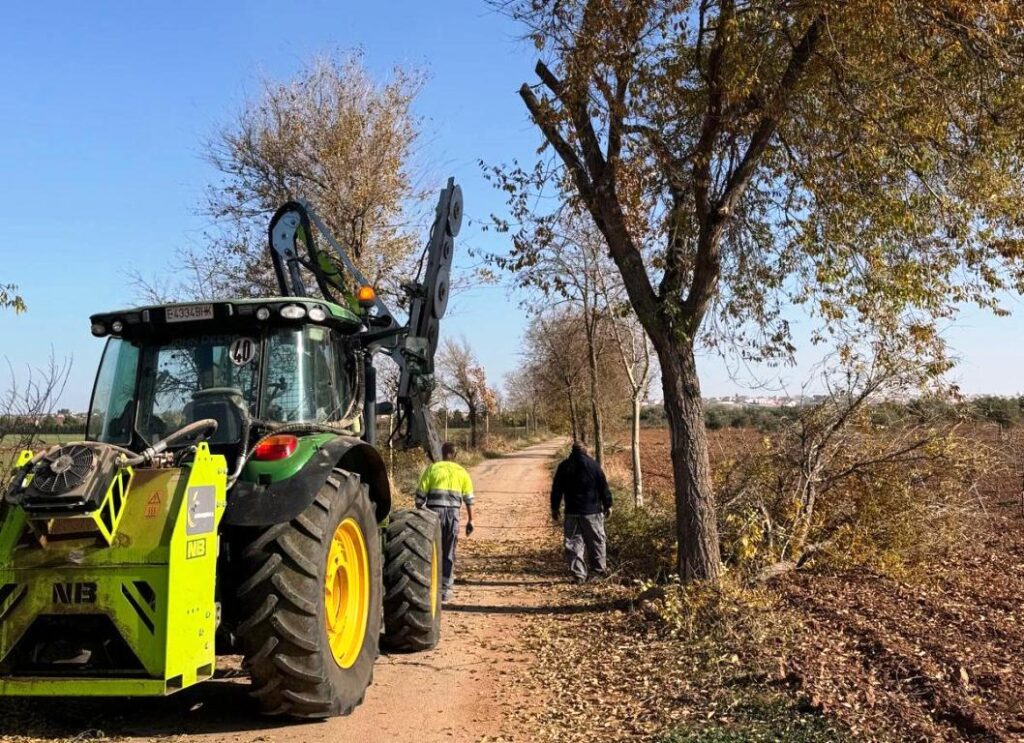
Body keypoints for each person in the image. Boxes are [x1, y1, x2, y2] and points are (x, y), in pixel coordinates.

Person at [415, 442, 475, 602]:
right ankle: (445, 591)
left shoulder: (433, 469)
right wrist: (471, 520)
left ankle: (429, 586)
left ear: (441, 453)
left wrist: (419, 510)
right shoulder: (462, 472)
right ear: (455, 455)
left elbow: (420, 498)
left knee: (431, 550)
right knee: (448, 552)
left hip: (433, 513)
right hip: (452, 515)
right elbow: (469, 500)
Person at [550, 442, 612, 584]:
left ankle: (579, 575)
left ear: (572, 451)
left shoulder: (564, 466)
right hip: (592, 511)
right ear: (586, 450)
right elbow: (603, 486)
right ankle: (598, 572)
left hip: (572, 511)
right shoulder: (594, 465)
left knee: (573, 544)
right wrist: (608, 504)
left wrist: (555, 508)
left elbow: (557, 489)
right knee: (596, 541)